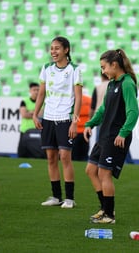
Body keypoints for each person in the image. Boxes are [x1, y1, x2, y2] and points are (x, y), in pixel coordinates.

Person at [83, 49, 139, 224]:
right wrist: (90, 124)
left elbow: (133, 112)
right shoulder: (112, 83)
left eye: (104, 67)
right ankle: (105, 209)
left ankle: (109, 215)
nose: (103, 72)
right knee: (91, 171)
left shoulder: (127, 83)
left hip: (116, 136)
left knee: (104, 173)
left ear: (114, 65)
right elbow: (103, 109)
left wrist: (123, 133)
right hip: (105, 135)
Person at [33, 36, 83, 209]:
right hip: (48, 118)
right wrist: (35, 114)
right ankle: (56, 197)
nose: (53, 51)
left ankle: (69, 198)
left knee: (65, 157)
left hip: (65, 119)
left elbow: (78, 98)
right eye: (51, 48)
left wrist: (75, 122)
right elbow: (41, 94)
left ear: (66, 50)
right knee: (51, 158)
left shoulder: (75, 70)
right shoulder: (46, 68)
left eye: (57, 48)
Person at [17, 82, 45, 159]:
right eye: (34, 90)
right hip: (25, 130)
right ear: (30, 91)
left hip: (37, 130)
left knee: (39, 153)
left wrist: (30, 112)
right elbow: (24, 115)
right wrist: (35, 113)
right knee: (22, 152)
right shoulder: (24, 101)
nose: (36, 91)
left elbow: (41, 114)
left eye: (37, 90)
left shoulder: (42, 102)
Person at [71, 94, 91, 161]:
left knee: (74, 154)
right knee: (84, 154)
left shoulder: (72, 99)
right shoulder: (88, 99)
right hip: (85, 130)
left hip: (75, 131)